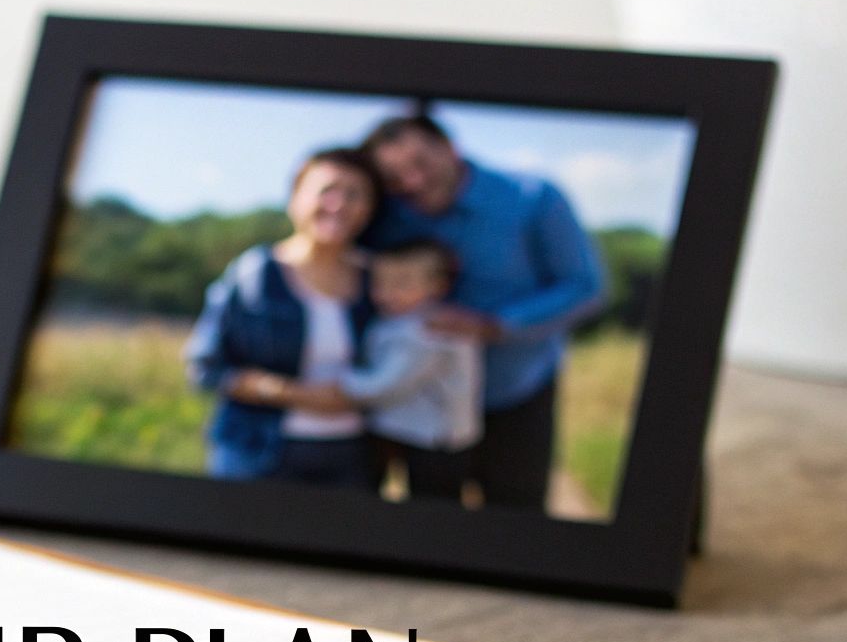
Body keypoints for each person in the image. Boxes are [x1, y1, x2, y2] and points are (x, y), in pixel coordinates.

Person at [360, 115, 605, 510]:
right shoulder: (387, 214)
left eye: (420, 164)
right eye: (394, 176)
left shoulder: (533, 197)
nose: (412, 182)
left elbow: (584, 287)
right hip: (425, 402)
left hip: (515, 392)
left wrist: (494, 326)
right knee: (429, 522)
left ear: (450, 148)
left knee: (514, 521)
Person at [183, 148, 381, 486]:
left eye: (354, 194)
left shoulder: (380, 279)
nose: (339, 204)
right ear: (295, 198)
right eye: (326, 191)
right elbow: (206, 367)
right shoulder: (255, 273)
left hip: (351, 456)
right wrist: (295, 394)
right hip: (258, 450)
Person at [303, 239, 482, 503]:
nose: (387, 293)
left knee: (435, 513)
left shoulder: (431, 331)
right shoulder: (398, 320)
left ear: (437, 286)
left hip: (434, 440)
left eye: (402, 283)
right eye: (380, 283)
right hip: (404, 430)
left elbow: (386, 385)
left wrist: (339, 382)